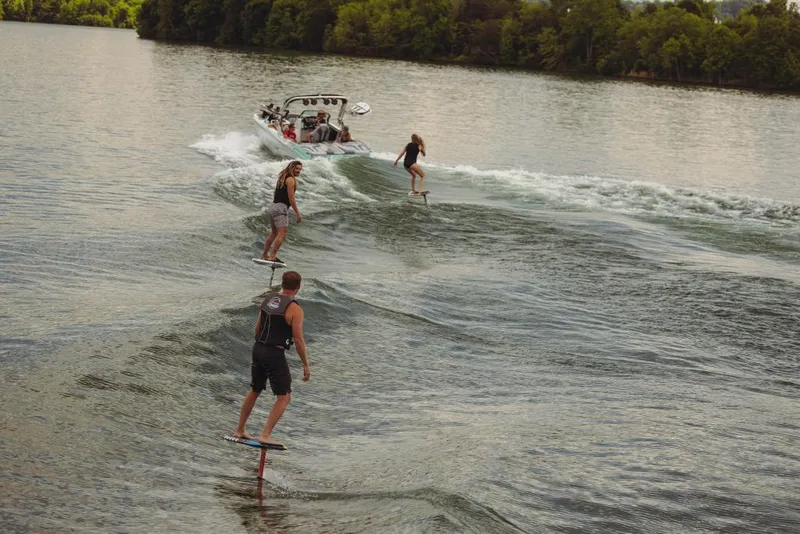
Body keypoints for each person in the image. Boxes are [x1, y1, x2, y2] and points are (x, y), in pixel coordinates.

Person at [232, 270, 310, 447]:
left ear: (282, 283)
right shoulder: (295, 308)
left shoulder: (268, 299)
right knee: (284, 396)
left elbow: (257, 329)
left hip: (258, 348)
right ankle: (265, 434)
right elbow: (298, 340)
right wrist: (306, 365)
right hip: (274, 353)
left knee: (255, 389)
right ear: (298, 288)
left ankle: (240, 430)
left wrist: (261, 348)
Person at [261, 161, 302, 263]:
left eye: (300, 169)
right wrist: (297, 213)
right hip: (281, 208)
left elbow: (276, 193)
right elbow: (291, 198)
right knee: (282, 234)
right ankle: (272, 256)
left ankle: (264, 255)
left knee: (274, 233)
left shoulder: (282, 178)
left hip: (273, 207)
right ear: (291, 168)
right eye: (296, 168)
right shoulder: (291, 179)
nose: (298, 171)